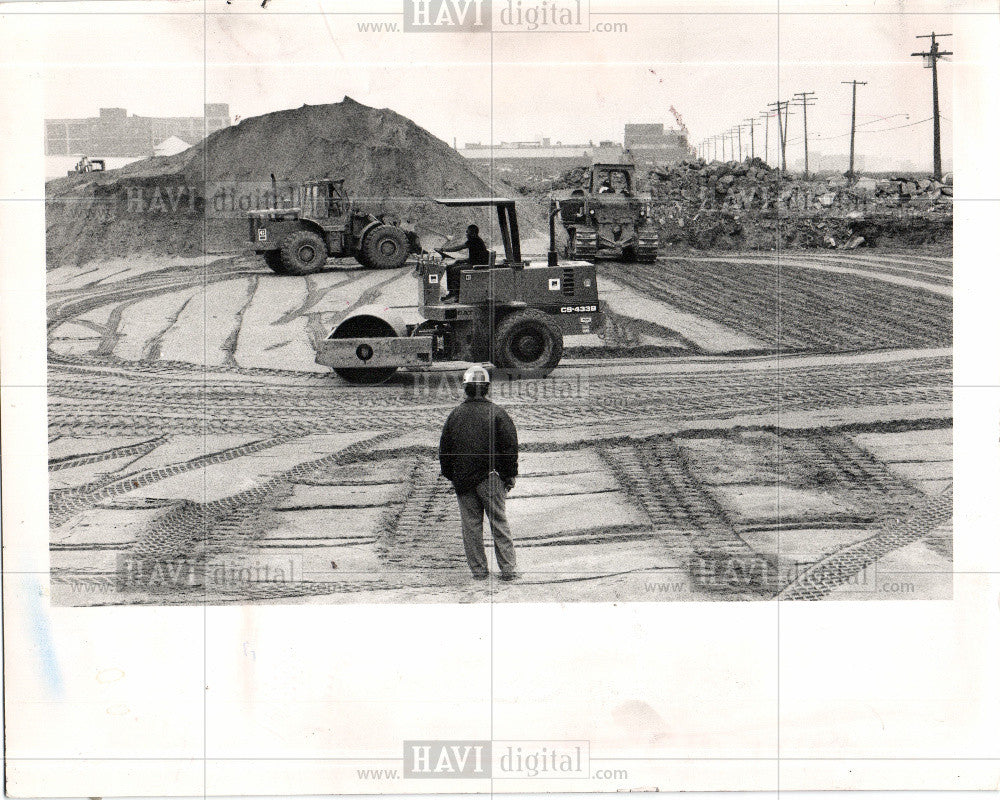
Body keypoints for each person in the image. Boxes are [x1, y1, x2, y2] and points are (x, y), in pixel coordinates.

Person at [439, 365, 519, 581]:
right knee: (499, 524)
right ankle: (509, 570)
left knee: (471, 528)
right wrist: (509, 475)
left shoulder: (454, 416)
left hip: (464, 481)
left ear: (465, 388)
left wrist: (453, 477)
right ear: (487, 388)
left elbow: (444, 452)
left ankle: (479, 573)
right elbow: (510, 448)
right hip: (491, 478)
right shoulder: (498, 414)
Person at [439, 224, 491, 301]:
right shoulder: (475, 240)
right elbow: (474, 257)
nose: (466, 234)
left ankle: (457, 294)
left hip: (477, 266)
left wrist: (444, 249)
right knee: (449, 267)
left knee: (454, 270)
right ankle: (452, 292)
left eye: (467, 232)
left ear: (473, 233)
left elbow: (459, 248)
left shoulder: (474, 240)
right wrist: (462, 260)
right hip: (474, 263)